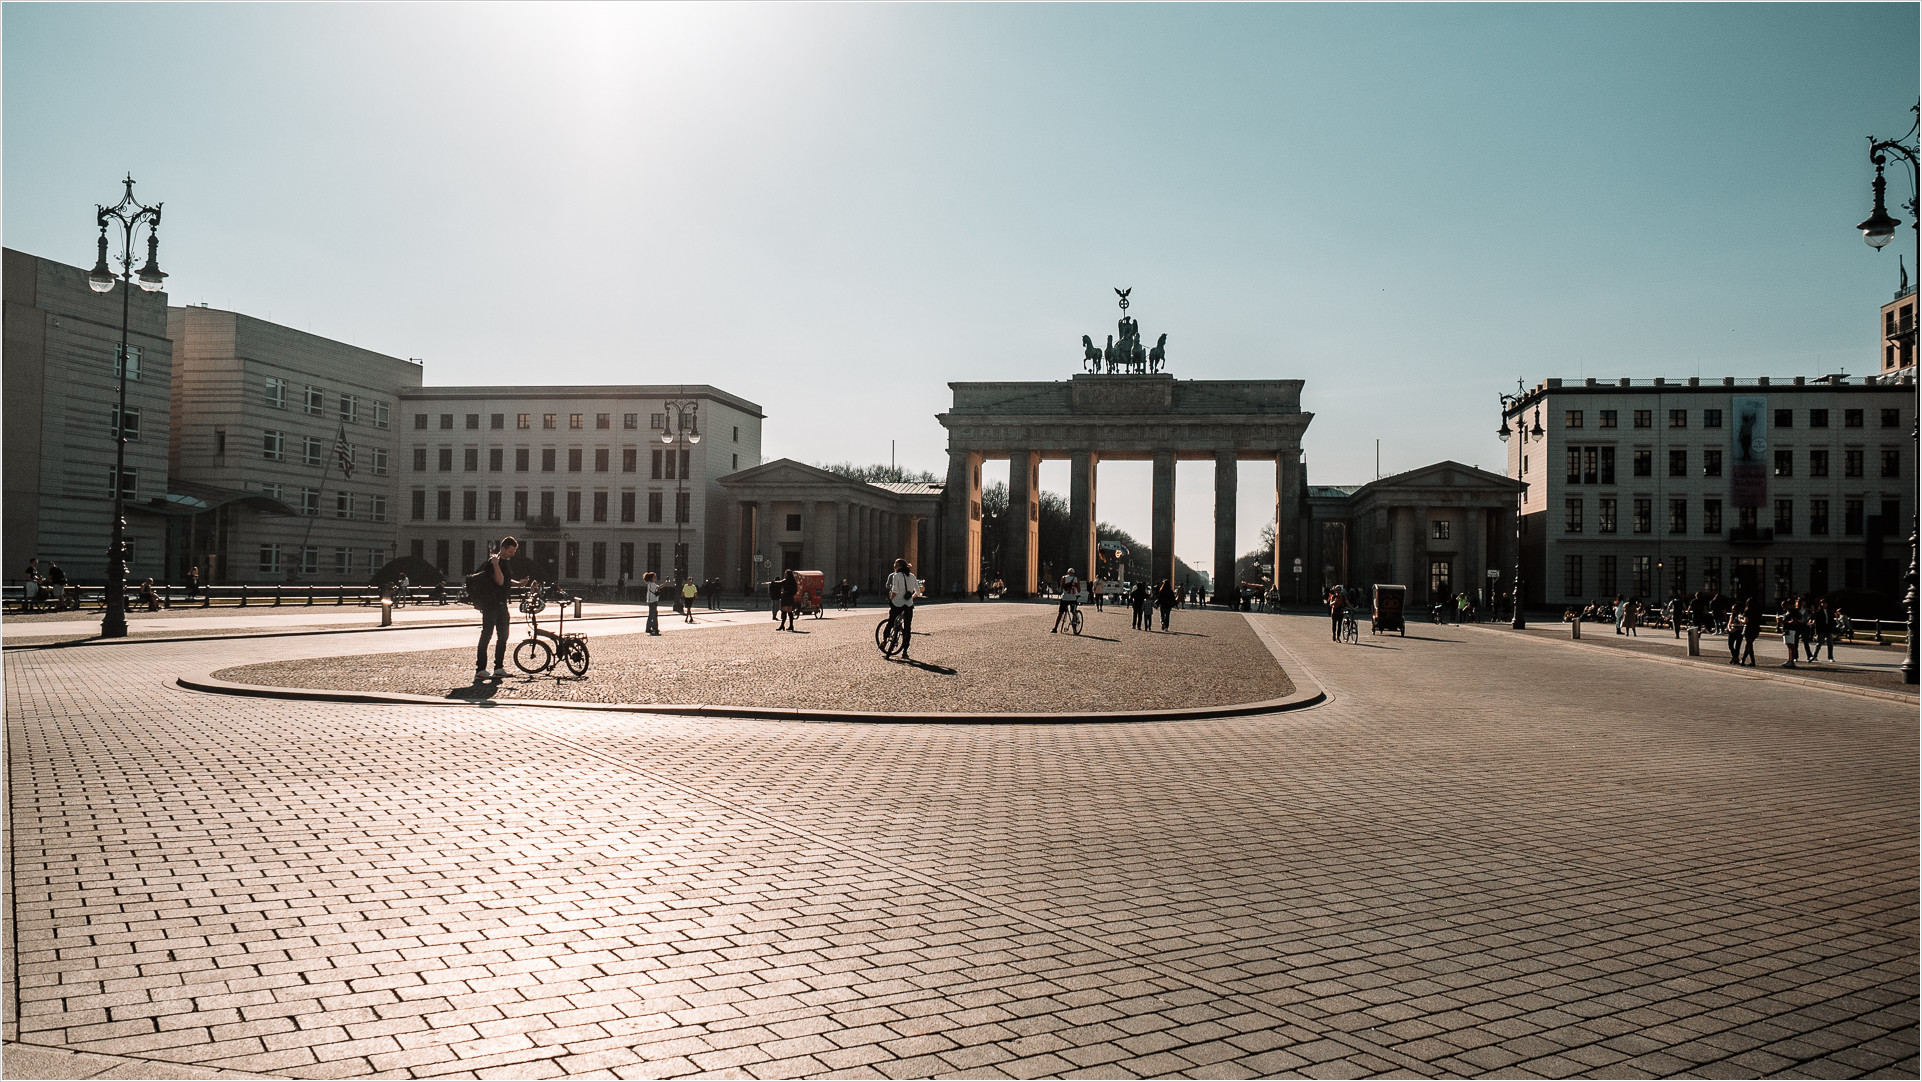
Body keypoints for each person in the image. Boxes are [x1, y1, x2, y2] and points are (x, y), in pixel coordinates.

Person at [473, 537, 529, 681]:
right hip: (491, 605)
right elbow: (500, 580)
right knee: (486, 636)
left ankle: (498, 668)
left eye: (514, 551)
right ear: (503, 548)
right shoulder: (492, 563)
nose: (512, 554)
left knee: (503, 637)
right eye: (510, 551)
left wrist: (519, 584)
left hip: (502, 605)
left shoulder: (505, 563)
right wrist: (496, 565)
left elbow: (507, 580)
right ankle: (480, 669)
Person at [885, 558, 922, 658]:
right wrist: (910, 597)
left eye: (895, 565)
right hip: (909, 605)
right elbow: (918, 592)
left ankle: (884, 641)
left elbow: (895, 591)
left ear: (899, 567)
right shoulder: (913, 576)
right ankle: (905, 651)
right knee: (907, 628)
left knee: (891, 621)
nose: (894, 567)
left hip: (897, 604)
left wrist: (890, 600)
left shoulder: (896, 576)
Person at [1051, 567, 1081, 633]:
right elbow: (1079, 590)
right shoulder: (1077, 579)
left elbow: (1061, 588)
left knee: (1060, 613)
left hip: (1065, 598)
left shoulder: (1064, 578)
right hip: (1073, 598)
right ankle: (1074, 629)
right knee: (1073, 612)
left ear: (1067, 573)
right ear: (1073, 573)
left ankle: (1055, 628)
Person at [1740, 597, 1762, 666]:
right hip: (1756, 628)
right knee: (1748, 645)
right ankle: (1743, 660)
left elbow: (1746, 621)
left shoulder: (1747, 611)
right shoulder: (1758, 611)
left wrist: (1740, 620)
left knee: (1749, 646)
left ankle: (1753, 661)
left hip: (1749, 628)